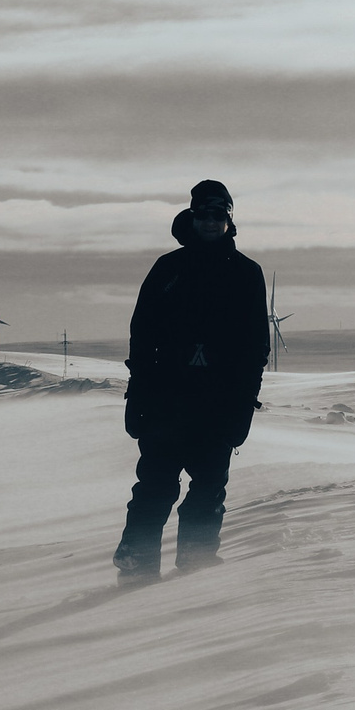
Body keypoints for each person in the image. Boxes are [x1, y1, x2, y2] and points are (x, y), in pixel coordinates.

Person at [114, 179, 269, 580]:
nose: (211, 221)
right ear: (192, 216)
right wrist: (138, 395)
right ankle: (136, 566)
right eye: (204, 213)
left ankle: (196, 571)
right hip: (167, 401)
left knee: (208, 491)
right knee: (155, 487)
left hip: (218, 405)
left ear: (229, 220)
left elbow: (255, 348)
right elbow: (142, 335)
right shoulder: (169, 269)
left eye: (219, 214)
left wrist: (243, 404)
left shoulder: (247, 274)